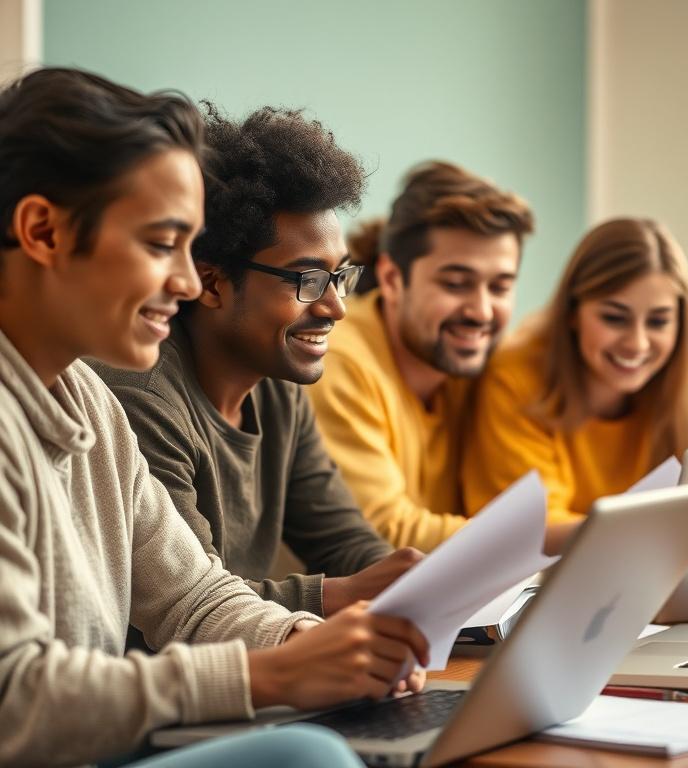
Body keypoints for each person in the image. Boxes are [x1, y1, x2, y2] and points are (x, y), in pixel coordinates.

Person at [0, 67, 425, 768]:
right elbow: (16, 702)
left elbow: (195, 599)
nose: (191, 283)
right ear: (43, 231)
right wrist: (271, 675)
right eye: (162, 244)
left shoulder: (90, 405)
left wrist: (304, 645)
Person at [90, 104, 419, 624]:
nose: (335, 307)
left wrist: (414, 584)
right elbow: (185, 600)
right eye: (308, 280)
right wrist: (343, 594)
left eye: (340, 277)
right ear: (213, 282)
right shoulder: (141, 398)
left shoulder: (277, 386)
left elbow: (342, 540)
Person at [308, 161, 535, 551]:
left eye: (499, 287)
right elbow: (383, 535)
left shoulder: (477, 364)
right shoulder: (336, 361)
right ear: (394, 279)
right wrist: (549, 540)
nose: (481, 311)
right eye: (456, 284)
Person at [462, 217, 688, 523]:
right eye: (614, 318)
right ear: (572, 311)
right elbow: (528, 529)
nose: (637, 344)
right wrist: (646, 532)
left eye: (658, 322)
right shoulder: (515, 377)